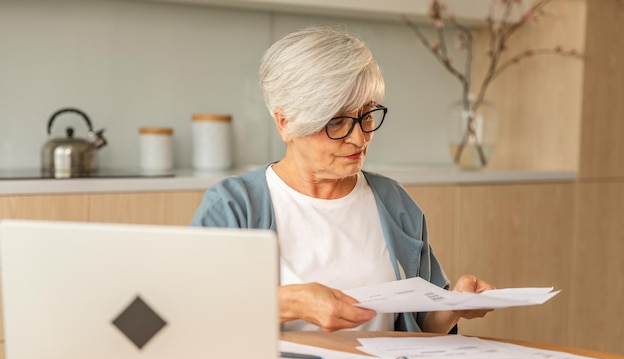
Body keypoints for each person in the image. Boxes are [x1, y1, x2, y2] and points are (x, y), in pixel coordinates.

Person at [190, 26, 494, 333]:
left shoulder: (393, 201)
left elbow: (422, 327)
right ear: (286, 123)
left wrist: (454, 306)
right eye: (337, 121)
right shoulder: (233, 206)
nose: (359, 138)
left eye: (367, 115)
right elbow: (191, 312)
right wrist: (289, 303)